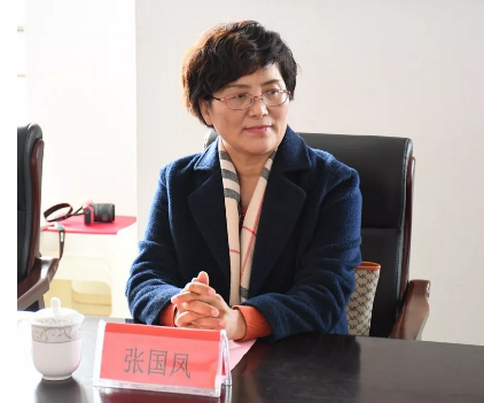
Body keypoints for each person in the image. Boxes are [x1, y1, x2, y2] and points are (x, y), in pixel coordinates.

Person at [125, 20, 362, 342]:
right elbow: (145, 277)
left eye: (272, 92)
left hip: (302, 356)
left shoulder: (334, 183)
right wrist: (183, 312)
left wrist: (238, 323)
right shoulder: (177, 181)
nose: (260, 110)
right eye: (239, 96)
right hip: (203, 355)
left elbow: (326, 292)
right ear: (206, 110)